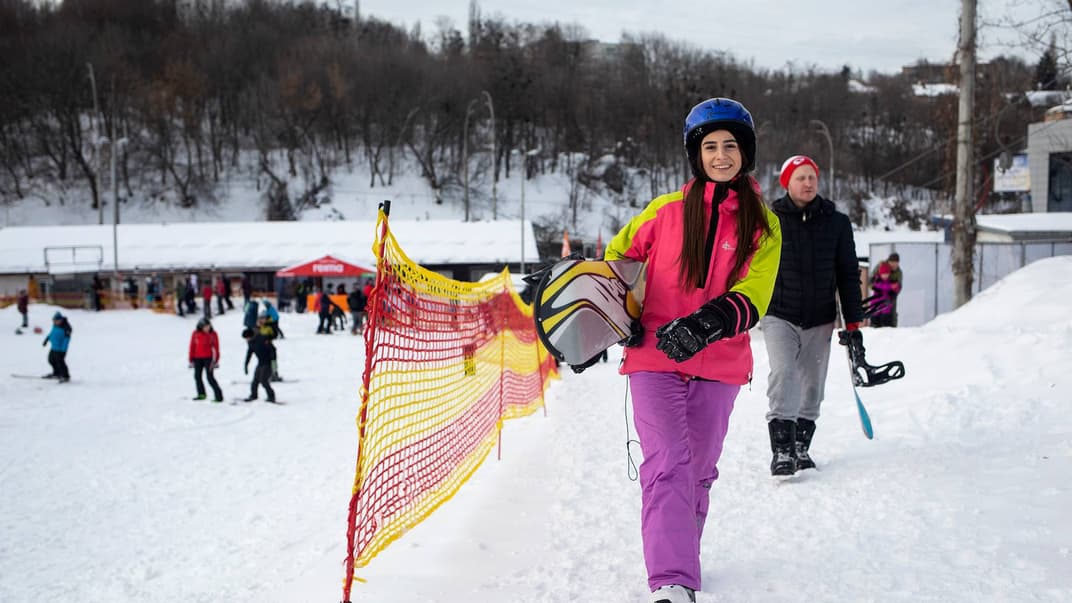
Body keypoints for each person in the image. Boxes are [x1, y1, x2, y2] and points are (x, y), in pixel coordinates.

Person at [602, 98, 781, 603]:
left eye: (730, 146)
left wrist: (708, 324)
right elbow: (617, 262)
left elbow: (756, 292)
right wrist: (623, 317)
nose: (720, 155)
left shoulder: (765, 224)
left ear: (744, 153)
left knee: (698, 470)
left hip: (720, 362)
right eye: (710, 147)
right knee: (667, 463)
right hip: (654, 356)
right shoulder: (664, 212)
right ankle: (673, 581)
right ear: (695, 155)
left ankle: (681, 555)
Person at [762, 154, 864, 477]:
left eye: (812, 178)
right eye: (800, 178)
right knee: (783, 373)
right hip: (779, 313)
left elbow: (848, 275)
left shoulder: (837, 223)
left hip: (820, 317)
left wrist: (854, 324)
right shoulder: (770, 220)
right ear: (787, 183)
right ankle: (782, 450)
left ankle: (801, 446)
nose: (807, 183)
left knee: (812, 387)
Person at [188, 317, 224, 402]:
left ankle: (219, 396)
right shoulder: (195, 333)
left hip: (209, 359)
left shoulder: (213, 334)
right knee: (197, 377)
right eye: (205, 326)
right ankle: (201, 394)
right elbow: (192, 346)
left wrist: (216, 360)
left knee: (209, 377)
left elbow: (216, 347)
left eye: (209, 326)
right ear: (201, 326)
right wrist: (191, 358)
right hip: (197, 358)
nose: (208, 328)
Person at [242, 327, 276, 402]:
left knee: (263, 380)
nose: (246, 340)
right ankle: (253, 395)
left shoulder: (262, 339)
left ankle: (271, 396)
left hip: (268, 362)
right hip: (260, 362)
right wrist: (246, 364)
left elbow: (273, 349)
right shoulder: (250, 342)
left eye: (246, 338)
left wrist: (274, 364)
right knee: (255, 380)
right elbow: (249, 353)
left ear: (250, 336)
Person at [870, 253, 902, 327]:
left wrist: (894, 292)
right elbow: (872, 280)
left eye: (896, 263)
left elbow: (899, 285)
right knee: (876, 313)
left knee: (890, 312)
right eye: (892, 262)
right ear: (889, 262)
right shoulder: (881, 266)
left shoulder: (898, 272)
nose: (894, 265)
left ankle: (891, 326)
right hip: (879, 295)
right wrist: (874, 286)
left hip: (889, 295)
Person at [42, 311, 73, 382]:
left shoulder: (66, 328)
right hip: (53, 348)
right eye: (54, 320)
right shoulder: (55, 326)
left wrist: (63, 350)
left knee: (60, 362)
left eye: (56, 320)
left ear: (61, 320)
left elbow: (66, 340)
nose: (54, 322)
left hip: (60, 349)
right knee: (51, 360)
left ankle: (65, 376)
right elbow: (51, 334)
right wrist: (46, 339)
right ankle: (57, 373)